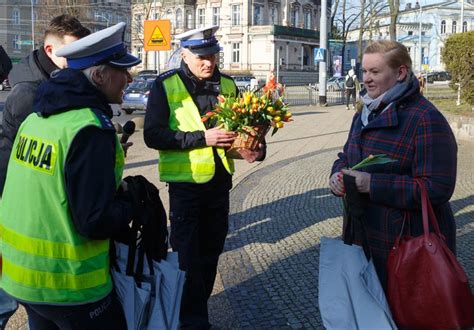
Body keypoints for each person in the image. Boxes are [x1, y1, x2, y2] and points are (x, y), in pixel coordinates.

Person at [0, 22, 141, 329]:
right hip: (70, 285)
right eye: (122, 70)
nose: (129, 79)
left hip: (23, 277)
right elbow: (94, 222)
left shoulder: (39, 116)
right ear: (99, 76)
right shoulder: (90, 129)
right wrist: (132, 203)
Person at [144, 25, 266, 329]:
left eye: (212, 55)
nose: (208, 62)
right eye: (201, 56)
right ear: (184, 54)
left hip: (219, 185)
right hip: (185, 187)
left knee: (211, 254)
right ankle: (192, 323)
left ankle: (196, 314)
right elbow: (153, 135)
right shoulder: (166, 85)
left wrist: (253, 148)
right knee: (187, 260)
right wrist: (202, 138)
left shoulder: (228, 84)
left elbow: (235, 136)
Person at [329, 40, 457, 291]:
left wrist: (371, 184)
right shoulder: (364, 112)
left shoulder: (425, 118)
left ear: (400, 73)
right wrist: (337, 174)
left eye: (375, 72)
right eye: (365, 71)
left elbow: (438, 187)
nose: (366, 79)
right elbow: (347, 155)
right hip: (362, 238)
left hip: (407, 246)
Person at [0, 15, 91, 195]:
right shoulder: (28, 93)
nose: (79, 61)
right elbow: (27, 158)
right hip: (26, 194)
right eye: (72, 53)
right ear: (50, 50)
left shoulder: (56, 81)